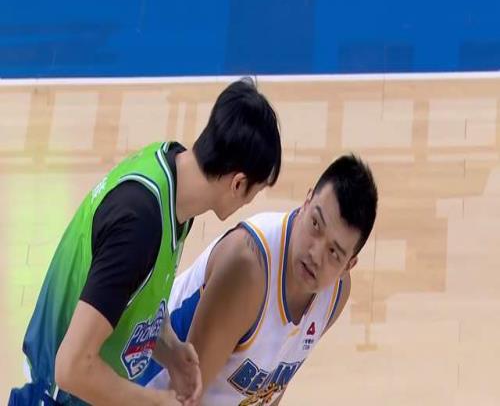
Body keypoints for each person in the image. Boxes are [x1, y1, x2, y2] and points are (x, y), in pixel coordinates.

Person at [9, 78, 282, 406]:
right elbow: (71, 367)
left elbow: (131, 293)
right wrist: (154, 402)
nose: (250, 202)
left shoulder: (173, 177)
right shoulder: (140, 225)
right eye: (254, 192)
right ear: (238, 184)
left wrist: (170, 349)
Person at [142, 154, 377, 406]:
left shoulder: (335, 295)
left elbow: (271, 390)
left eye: (334, 253)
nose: (315, 254)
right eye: (316, 225)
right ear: (306, 202)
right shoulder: (248, 269)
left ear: (348, 265)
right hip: (144, 386)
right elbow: (183, 396)